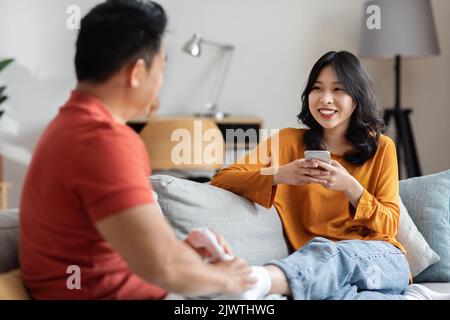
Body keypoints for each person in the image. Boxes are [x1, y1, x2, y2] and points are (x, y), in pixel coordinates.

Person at [19, 0, 255, 300]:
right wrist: (226, 279)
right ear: (137, 72)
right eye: (162, 67)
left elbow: (133, 250)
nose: (160, 83)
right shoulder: (105, 140)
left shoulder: (64, 126)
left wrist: (181, 253)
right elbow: (165, 268)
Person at [211, 51, 450, 300]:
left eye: (338, 90)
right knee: (330, 287)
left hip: (382, 259)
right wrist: (279, 174)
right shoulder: (287, 142)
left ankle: (256, 281)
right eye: (318, 88)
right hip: (319, 270)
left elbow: (389, 224)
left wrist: (351, 188)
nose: (326, 99)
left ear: (357, 98)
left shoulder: (382, 148)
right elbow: (223, 178)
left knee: (335, 255)